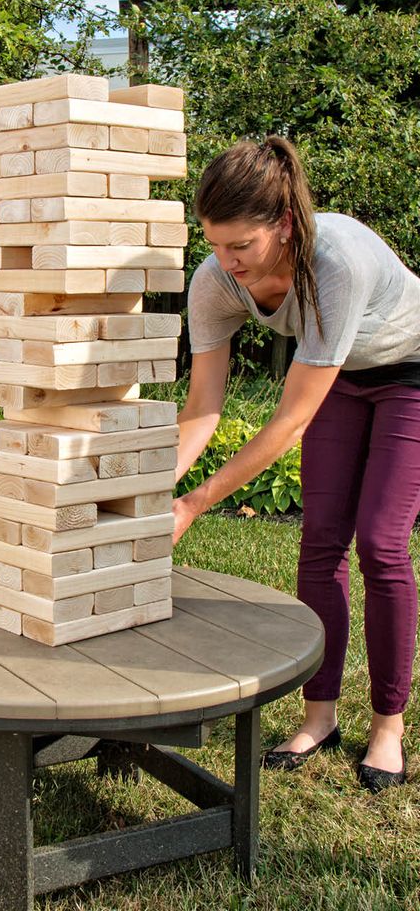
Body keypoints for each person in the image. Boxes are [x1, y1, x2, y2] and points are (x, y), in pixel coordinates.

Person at [173, 135, 420, 793]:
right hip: (340, 376)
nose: (226, 263)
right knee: (320, 541)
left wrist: (196, 504)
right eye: (215, 244)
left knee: (383, 542)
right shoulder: (214, 280)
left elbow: (289, 420)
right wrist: (151, 489)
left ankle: (389, 727)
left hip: (410, 375)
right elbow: (203, 406)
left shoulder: (332, 262)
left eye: (241, 247)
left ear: (283, 226)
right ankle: (319, 717)